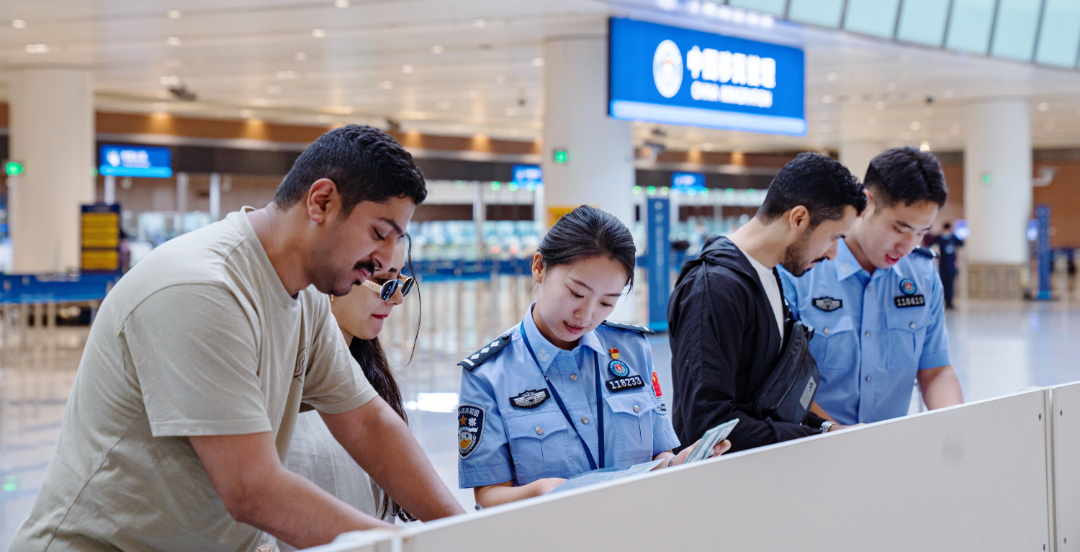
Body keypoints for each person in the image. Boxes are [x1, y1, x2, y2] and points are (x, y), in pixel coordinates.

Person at [11, 125, 464, 552]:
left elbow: (368, 424)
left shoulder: (302, 297)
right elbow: (253, 490)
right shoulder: (203, 289)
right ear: (321, 202)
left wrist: (464, 533)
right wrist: (403, 547)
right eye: (379, 233)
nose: (385, 259)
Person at [457, 206, 730, 508]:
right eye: (576, 294)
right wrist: (539, 492)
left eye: (606, 302)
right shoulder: (488, 374)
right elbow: (488, 494)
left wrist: (677, 464)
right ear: (539, 267)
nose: (586, 315)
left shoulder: (632, 350)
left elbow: (659, 453)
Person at [668, 153, 866, 452]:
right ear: (799, 218)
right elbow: (711, 426)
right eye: (834, 237)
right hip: (720, 489)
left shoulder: (767, 275)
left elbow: (770, 398)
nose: (833, 254)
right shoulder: (714, 288)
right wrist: (818, 439)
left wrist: (827, 427)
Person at [780, 147, 964, 427]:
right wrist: (844, 437)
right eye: (899, 229)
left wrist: (956, 423)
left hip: (887, 453)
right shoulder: (801, 269)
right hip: (811, 448)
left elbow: (934, 370)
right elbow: (783, 384)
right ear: (866, 204)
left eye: (921, 233)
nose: (907, 246)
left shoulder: (922, 274)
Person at [281, 236, 419, 549]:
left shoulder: (372, 379)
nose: (397, 299)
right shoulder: (285, 392)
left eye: (402, 282)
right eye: (384, 282)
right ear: (332, 279)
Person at [931, 222, 964, 309]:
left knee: (950, 284)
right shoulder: (939, 238)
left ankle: (949, 302)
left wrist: (958, 260)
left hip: (951, 265)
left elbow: (961, 247)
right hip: (942, 265)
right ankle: (941, 302)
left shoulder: (953, 238)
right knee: (941, 285)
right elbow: (933, 247)